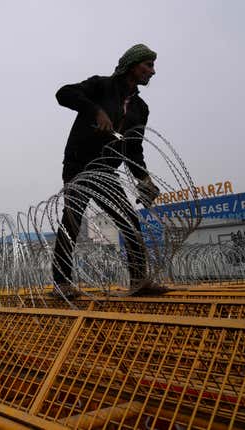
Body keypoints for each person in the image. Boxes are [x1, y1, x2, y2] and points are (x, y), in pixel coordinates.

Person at [52, 43, 161, 295]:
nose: (152, 72)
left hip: (105, 171)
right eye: (148, 65)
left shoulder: (140, 109)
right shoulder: (101, 86)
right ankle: (61, 283)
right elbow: (63, 93)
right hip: (79, 165)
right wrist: (96, 110)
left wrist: (144, 180)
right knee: (73, 219)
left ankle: (138, 281)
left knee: (130, 220)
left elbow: (133, 148)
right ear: (133, 65)